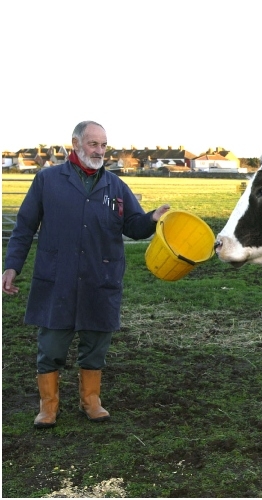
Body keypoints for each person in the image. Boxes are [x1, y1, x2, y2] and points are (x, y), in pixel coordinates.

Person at [2, 120, 171, 428]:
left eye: (104, 145)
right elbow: (25, 227)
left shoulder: (116, 186)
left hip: (99, 277)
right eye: (94, 144)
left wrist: (151, 218)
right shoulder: (48, 180)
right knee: (51, 345)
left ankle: (91, 401)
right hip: (58, 278)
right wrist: (11, 266)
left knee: (96, 344)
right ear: (75, 145)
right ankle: (48, 406)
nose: (100, 151)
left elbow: (133, 226)